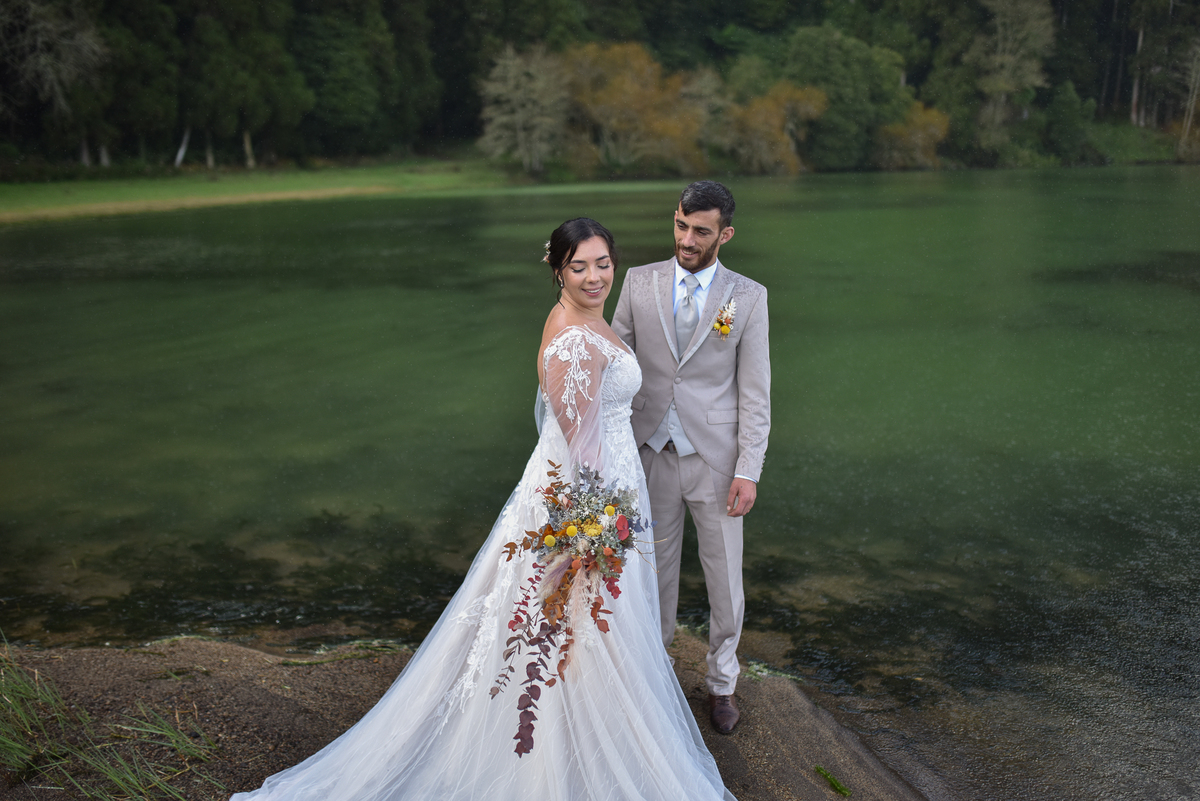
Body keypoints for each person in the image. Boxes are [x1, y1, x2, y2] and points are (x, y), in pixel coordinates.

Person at [230, 218, 735, 801]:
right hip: (586, 499)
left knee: (572, 622)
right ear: (558, 271)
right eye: (579, 267)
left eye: (602, 263)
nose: (595, 276)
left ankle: (578, 728)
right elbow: (581, 445)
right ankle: (560, 755)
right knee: (577, 616)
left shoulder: (580, 319)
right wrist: (597, 527)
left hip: (598, 488)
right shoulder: (573, 338)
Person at [611, 181, 770, 735]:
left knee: (724, 578)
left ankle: (722, 683)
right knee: (653, 572)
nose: (687, 238)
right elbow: (615, 364)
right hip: (649, 450)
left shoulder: (748, 297)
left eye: (700, 230)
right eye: (681, 224)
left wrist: (749, 468)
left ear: (724, 233)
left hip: (717, 459)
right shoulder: (637, 282)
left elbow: (755, 393)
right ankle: (655, 674)